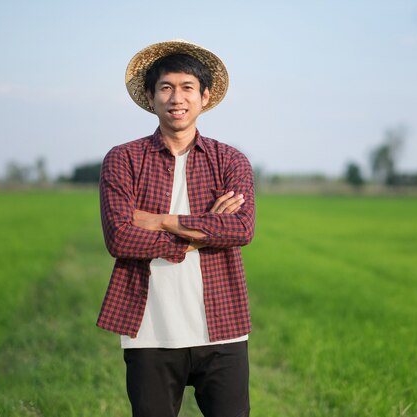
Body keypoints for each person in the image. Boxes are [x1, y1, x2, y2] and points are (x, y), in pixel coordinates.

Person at [96, 39, 255, 417]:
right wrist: (202, 232)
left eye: (187, 88)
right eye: (166, 88)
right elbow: (120, 237)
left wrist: (160, 220)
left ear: (205, 96)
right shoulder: (124, 159)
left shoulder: (230, 160)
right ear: (151, 98)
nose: (176, 98)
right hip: (149, 328)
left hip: (223, 328)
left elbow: (242, 230)